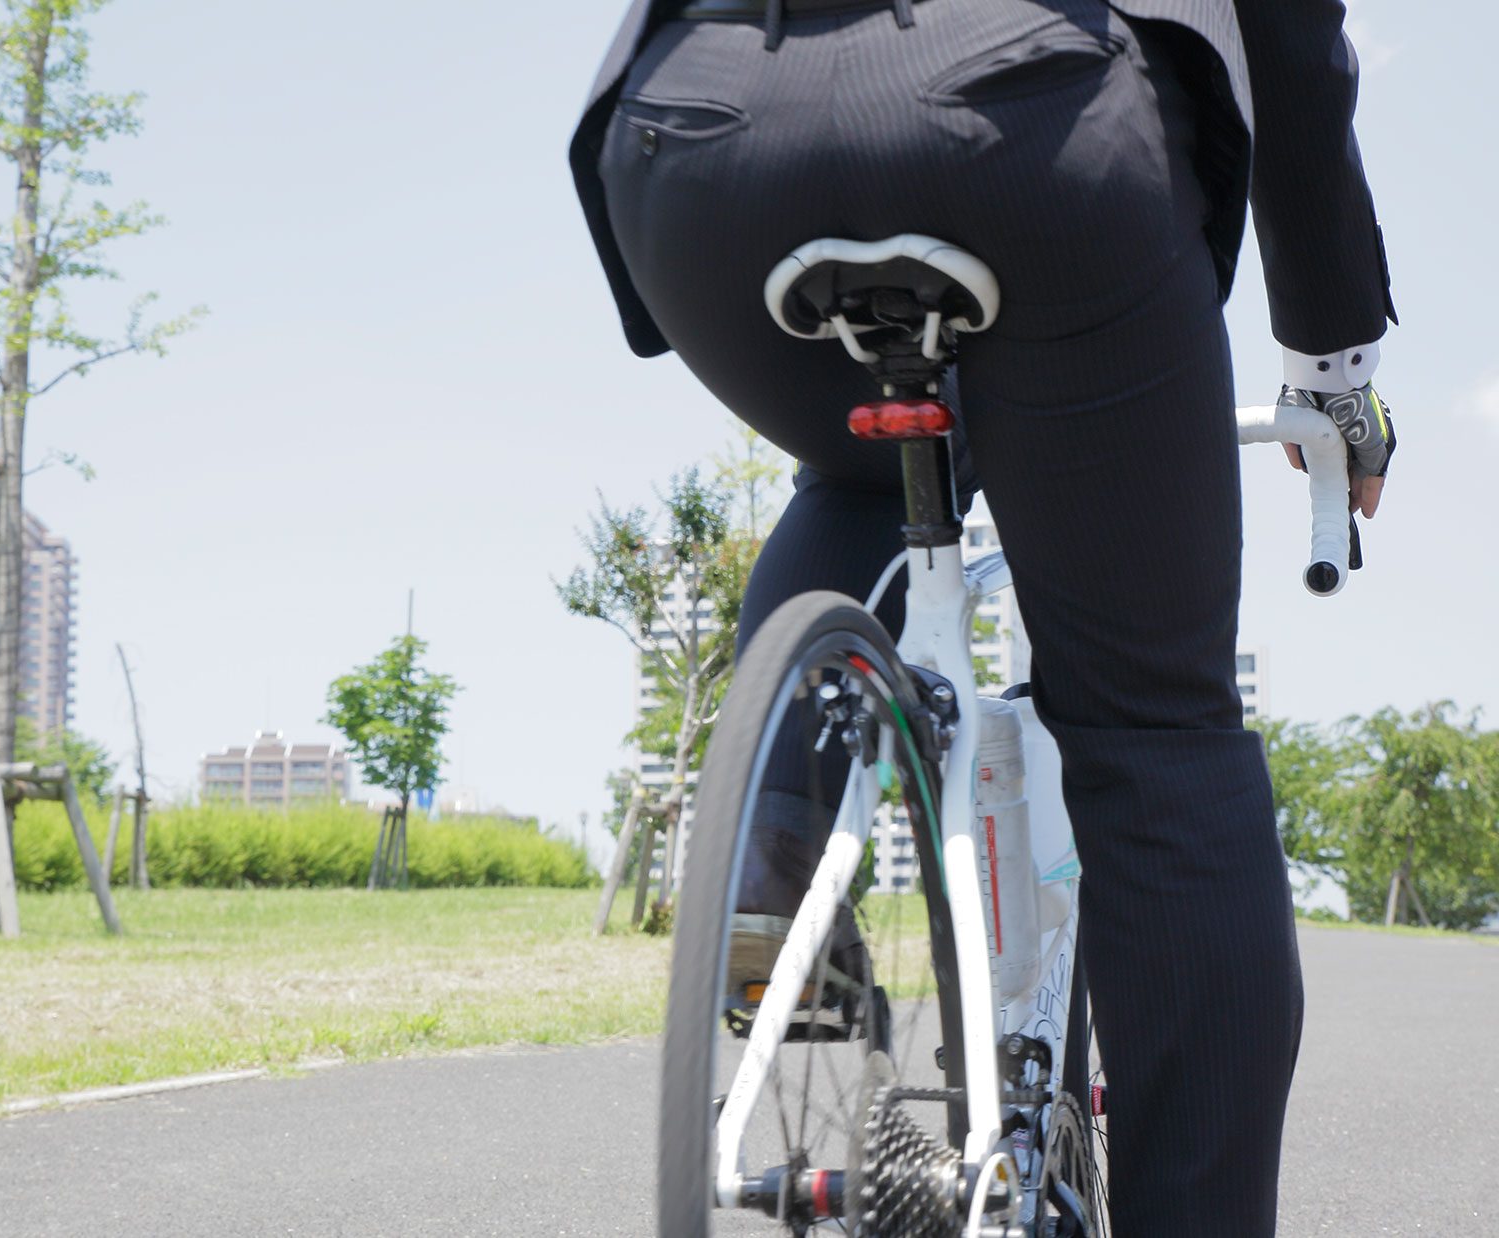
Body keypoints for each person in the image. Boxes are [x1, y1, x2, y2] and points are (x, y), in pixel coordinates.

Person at [568, 0, 1398, 1234]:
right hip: (1029, 115)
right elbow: (1285, 33)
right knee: (1156, 732)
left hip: (693, 136)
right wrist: (1332, 371)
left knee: (863, 467)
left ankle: (772, 857)